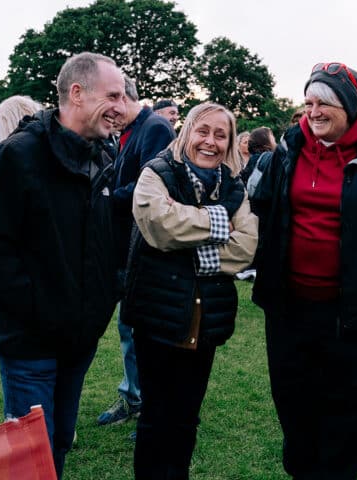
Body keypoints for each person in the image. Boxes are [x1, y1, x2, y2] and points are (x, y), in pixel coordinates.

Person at [251, 62, 357, 478]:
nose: (313, 112)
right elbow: (261, 207)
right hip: (290, 308)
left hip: (355, 313)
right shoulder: (289, 149)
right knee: (293, 402)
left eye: (324, 103)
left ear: (348, 106)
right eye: (308, 102)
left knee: (349, 410)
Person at [0, 52, 126, 478]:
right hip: (30, 344)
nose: (121, 107)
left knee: (59, 446)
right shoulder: (19, 154)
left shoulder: (102, 155)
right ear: (77, 93)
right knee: (32, 463)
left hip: (80, 339)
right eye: (113, 95)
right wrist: (41, 307)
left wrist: (107, 292)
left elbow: (103, 239)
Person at [123, 102, 257, 478]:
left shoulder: (232, 185)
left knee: (185, 418)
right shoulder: (157, 173)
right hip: (158, 314)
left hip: (206, 320)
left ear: (230, 142)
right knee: (156, 416)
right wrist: (218, 222)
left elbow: (246, 245)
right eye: (203, 131)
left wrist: (186, 248)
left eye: (220, 134)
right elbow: (158, 226)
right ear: (187, 132)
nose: (210, 141)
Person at [97, 76, 176, 430]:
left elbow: (152, 186)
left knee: (139, 330)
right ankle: (135, 397)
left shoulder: (155, 127)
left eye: (111, 102)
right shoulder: (128, 131)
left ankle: (150, 406)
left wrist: (102, 198)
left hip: (142, 246)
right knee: (128, 328)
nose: (107, 113)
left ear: (126, 97)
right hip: (122, 245)